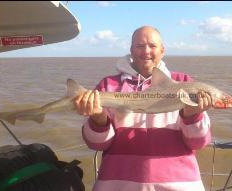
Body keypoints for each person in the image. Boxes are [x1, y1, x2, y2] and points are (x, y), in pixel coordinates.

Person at [74, 26, 213, 191]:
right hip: (117, 184)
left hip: (179, 184)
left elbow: (198, 142)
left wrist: (192, 116)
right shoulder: (108, 85)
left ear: (162, 50)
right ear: (131, 50)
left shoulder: (184, 83)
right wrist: (98, 119)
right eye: (140, 46)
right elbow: (97, 145)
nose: (146, 51)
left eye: (152, 46)